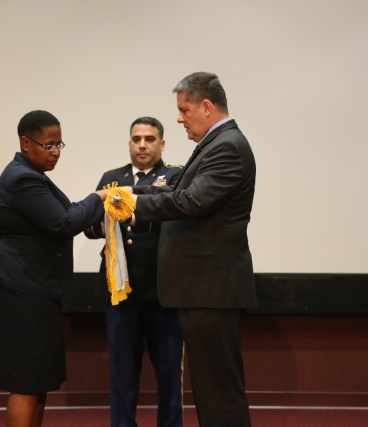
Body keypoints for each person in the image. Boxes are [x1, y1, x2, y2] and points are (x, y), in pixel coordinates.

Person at [128, 72, 257, 427]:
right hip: (204, 289)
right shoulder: (217, 144)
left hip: (212, 288)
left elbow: (191, 202)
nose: (179, 118)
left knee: (219, 394)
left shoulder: (227, 146)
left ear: (206, 106)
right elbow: (177, 195)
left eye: (184, 110)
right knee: (211, 392)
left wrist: (131, 204)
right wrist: (132, 195)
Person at [0, 110, 108, 427]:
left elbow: (68, 216)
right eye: (48, 145)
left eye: (59, 145)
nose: (55, 153)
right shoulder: (22, 178)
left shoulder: (33, 176)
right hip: (21, 289)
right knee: (26, 381)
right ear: (25, 142)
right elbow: (63, 223)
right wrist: (99, 197)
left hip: (35, 289)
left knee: (37, 380)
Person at [85, 117, 184, 427]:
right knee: (122, 377)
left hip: (163, 292)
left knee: (170, 378)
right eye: (137, 138)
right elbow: (90, 227)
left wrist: (129, 195)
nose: (142, 144)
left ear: (162, 144)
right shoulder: (111, 178)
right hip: (121, 292)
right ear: (129, 143)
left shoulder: (176, 176)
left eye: (150, 139)